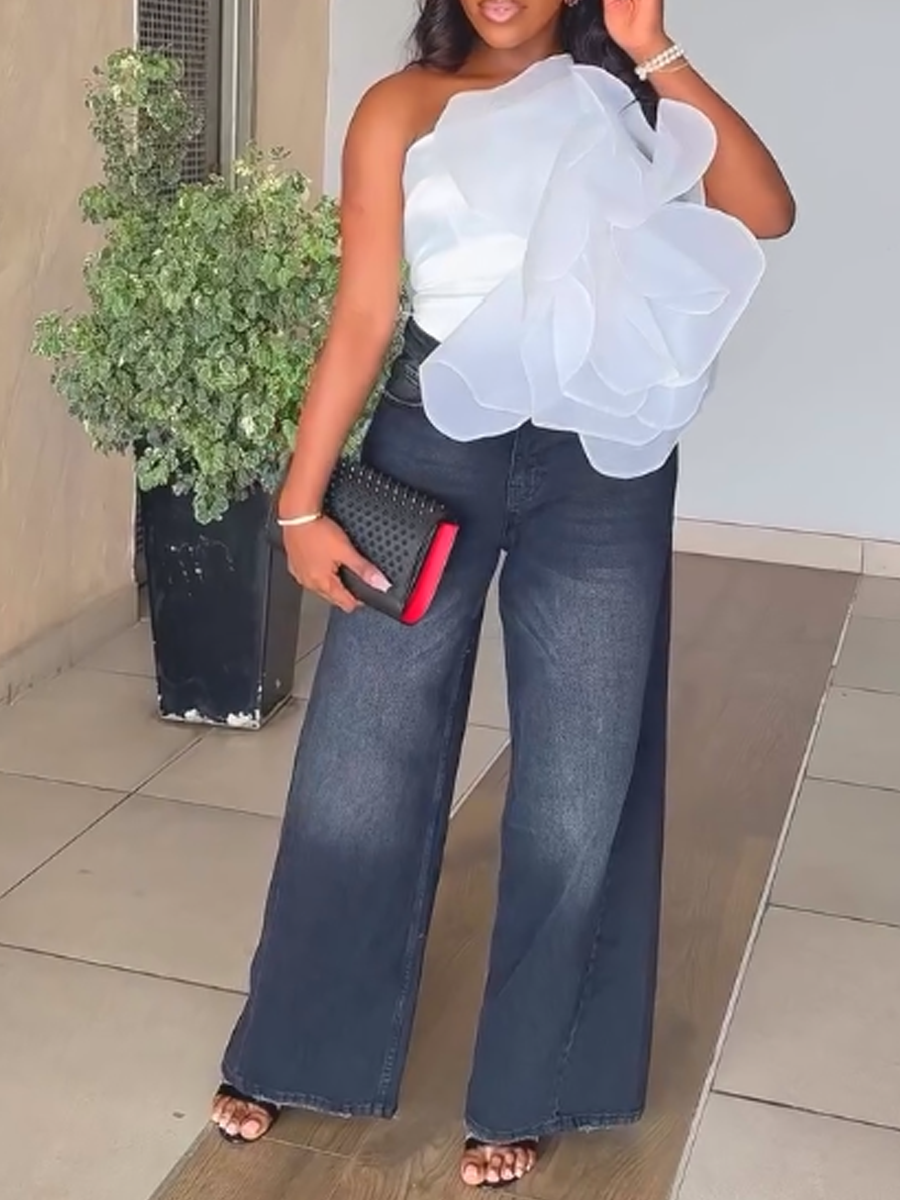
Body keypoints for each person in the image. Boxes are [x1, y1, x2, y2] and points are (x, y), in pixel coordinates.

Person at [210, 0, 794, 1187]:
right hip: (434, 438)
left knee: (583, 777)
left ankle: (535, 1083)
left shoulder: (634, 99)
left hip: (601, 462)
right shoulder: (403, 106)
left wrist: (653, 46)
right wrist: (300, 503)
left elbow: (763, 212)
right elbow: (364, 311)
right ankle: (297, 1047)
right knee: (363, 752)